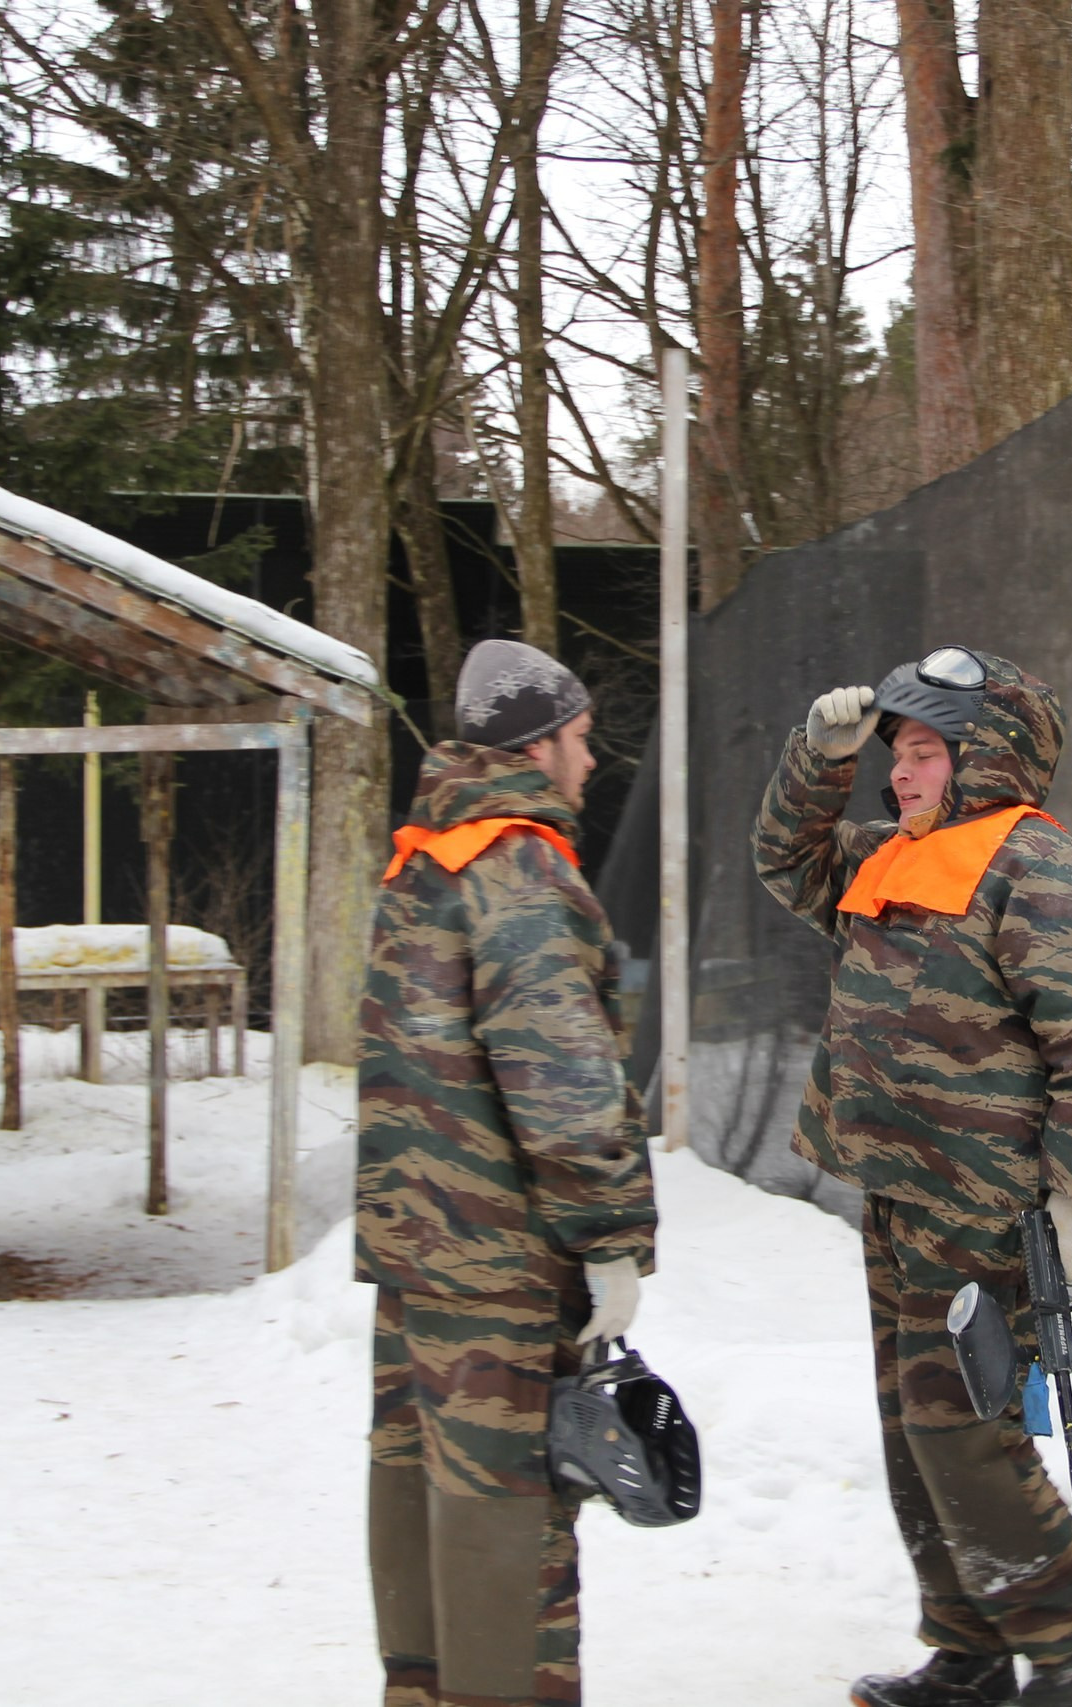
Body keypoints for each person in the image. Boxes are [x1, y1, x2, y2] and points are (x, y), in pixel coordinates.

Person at [754, 646, 1072, 1707]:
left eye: (926, 750)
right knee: (911, 1431)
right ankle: (969, 1650)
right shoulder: (892, 853)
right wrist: (816, 757)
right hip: (894, 1195)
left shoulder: (1039, 868)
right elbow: (788, 864)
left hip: (980, 1210)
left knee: (961, 1430)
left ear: (989, 755)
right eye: (899, 752)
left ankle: (1068, 1644)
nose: (902, 772)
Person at [357, 638, 658, 1707]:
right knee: (504, 1503)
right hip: (497, 1259)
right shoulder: (521, 867)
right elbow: (562, 1079)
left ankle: (420, 1687)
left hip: (416, 1248)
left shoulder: (423, 856)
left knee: (416, 1477)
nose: (587, 764)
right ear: (536, 744)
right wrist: (613, 1235)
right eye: (579, 741)